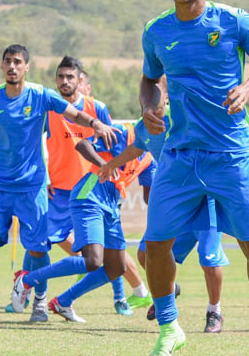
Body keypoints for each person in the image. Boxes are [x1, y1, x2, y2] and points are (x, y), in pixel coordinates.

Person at [139, 0, 249, 356]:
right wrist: (149, 106)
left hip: (230, 154)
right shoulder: (156, 31)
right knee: (154, 246)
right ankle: (169, 329)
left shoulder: (233, 21)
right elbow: (149, 79)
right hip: (180, 155)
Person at [0, 44, 117, 324]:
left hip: (32, 186)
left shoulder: (41, 95)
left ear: (26, 67)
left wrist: (95, 124)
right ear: (2, 66)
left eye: (17, 62)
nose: (12, 66)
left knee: (37, 249)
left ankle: (41, 303)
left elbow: (73, 113)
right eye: (7, 61)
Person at [98, 103, 230, 333]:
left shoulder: (184, 117)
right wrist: (111, 165)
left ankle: (214, 311)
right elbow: (136, 149)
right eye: (145, 97)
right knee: (146, 253)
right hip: (176, 202)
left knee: (209, 259)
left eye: (157, 96)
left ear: (167, 98)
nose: (150, 102)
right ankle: (168, 292)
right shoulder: (143, 127)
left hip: (205, 198)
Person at [32, 55, 145, 316]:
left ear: (80, 81)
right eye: (60, 76)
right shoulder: (49, 108)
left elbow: (114, 144)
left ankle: (120, 296)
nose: (65, 81)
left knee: (106, 250)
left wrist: (113, 179)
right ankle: (31, 292)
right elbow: (34, 144)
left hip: (93, 187)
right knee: (41, 242)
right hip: (59, 188)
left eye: (70, 77)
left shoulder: (98, 108)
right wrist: (44, 177)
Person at [12, 121, 153, 323]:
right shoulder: (123, 132)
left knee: (116, 268)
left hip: (112, 202)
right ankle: (26, 280)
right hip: (89, 193)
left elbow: (149, 196)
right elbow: (83, 145)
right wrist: (103, 164)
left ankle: (63, 302)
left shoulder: (151, 157)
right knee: (92, 260)